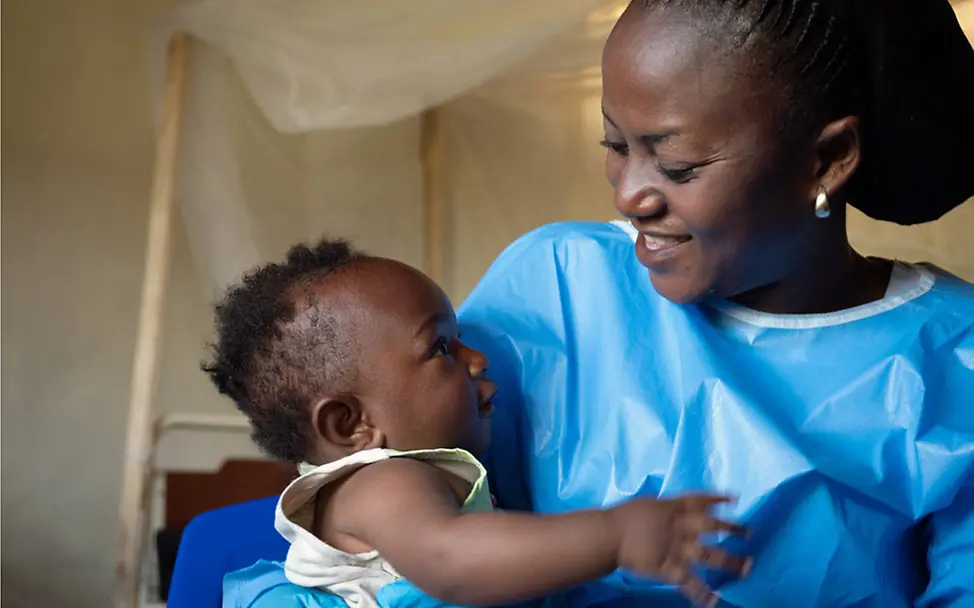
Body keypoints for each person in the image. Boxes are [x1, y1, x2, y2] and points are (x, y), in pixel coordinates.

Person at [453, 1, 974, 606]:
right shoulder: (557, 286)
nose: (628, 195)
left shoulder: (954, 361)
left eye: (677, 166)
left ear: (828, 160)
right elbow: (395, 497)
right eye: (616, 144)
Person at [206, 240, 752, 608]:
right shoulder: (379, 482)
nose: (478, 359)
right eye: (442, 346)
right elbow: (449, 556)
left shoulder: (414, 474)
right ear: (352, 424)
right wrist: (616, 536)